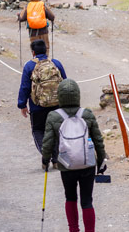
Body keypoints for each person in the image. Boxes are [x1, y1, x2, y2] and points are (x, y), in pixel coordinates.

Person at [42, 79, 105, 232]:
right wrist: (101, 160)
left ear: (60, 96)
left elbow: (48, 142)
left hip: (66, 165)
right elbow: (98, 140)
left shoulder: (53, 116)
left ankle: (73, 229)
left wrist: (45, 160)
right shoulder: (87, 114)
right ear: (78, 95)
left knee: (70, 198)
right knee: (87, 201)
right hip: (88, 163)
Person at [18, 39, 66, 154]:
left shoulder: (29, 66)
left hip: (37, 107)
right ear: (46, 50)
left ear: (33, 52)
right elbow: (66, 83)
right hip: (57, 106)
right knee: (56, 130)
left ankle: (45, 153)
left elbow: (25, 87)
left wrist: (22, 105)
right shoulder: (56, 63)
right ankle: (55, 158)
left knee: (38, 130)